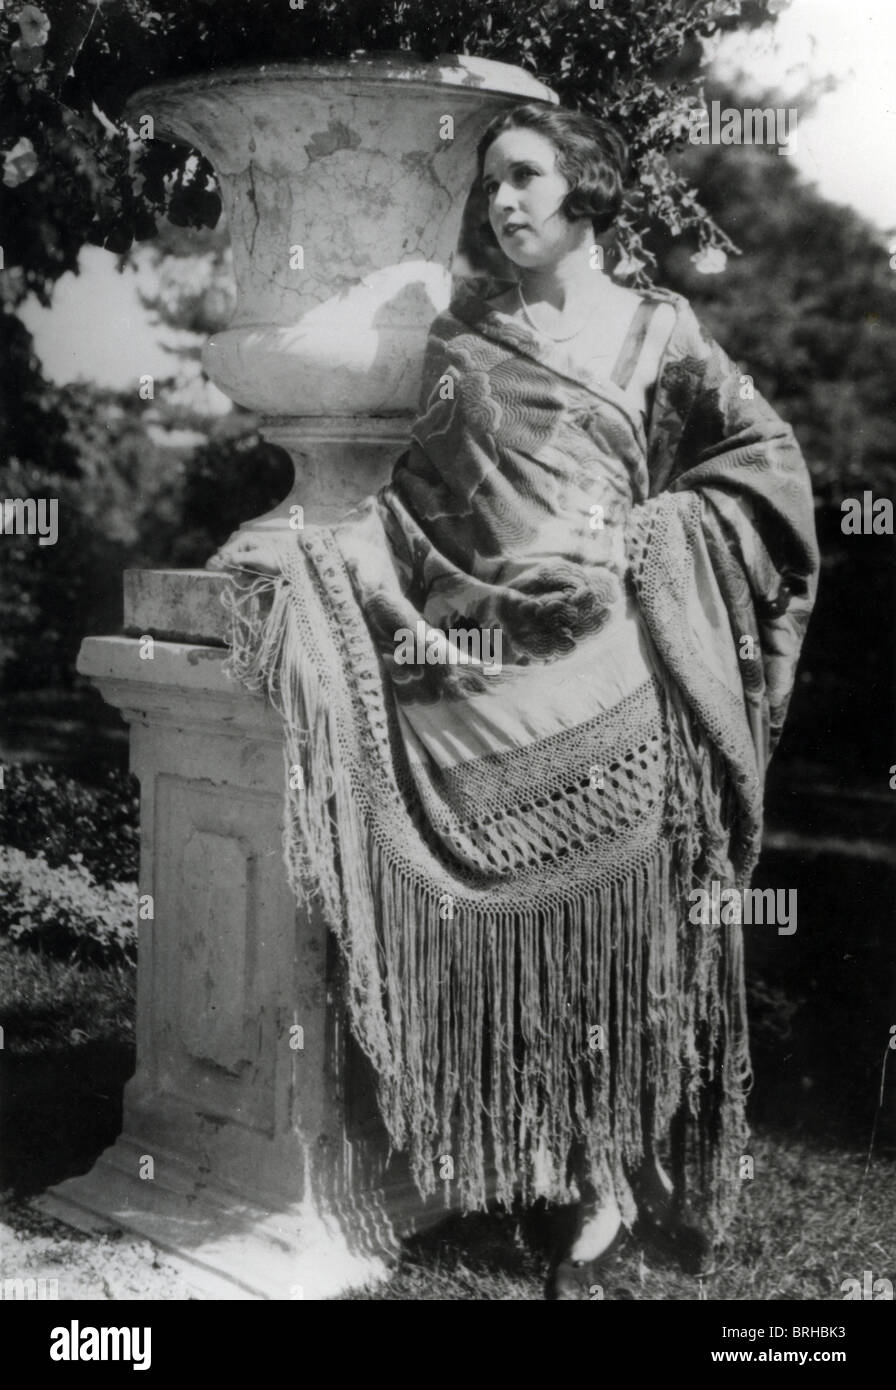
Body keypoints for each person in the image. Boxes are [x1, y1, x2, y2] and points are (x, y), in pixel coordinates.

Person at [215, 103, 819, 1299]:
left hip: (621, 683)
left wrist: (660, 531)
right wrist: (323, 565)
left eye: (527, 177)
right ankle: (528, 1143)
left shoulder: (659, 331)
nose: (503, 202)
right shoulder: (463, 338)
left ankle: (609, 1168)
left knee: (623, 942)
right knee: (510, 931)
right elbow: (414, 510)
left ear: (584, 187)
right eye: (490, 182)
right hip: (490, 676)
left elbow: (764, 464)